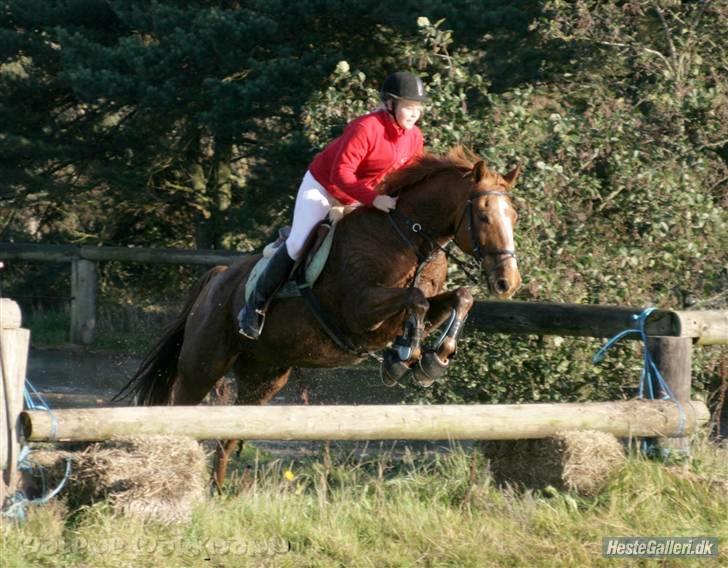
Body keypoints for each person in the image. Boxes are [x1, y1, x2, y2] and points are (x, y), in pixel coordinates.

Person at [238, 70, 427, 339]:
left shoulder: (414, 138)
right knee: (298, 242)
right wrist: (374, 199)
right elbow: (341, 174)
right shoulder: (366, 128)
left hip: (360, 197)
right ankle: (254, 307)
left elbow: (409, 177)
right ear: (390, 104)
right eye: (409, 107)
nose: (414, 114)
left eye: (418, 108)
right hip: (324, 188)